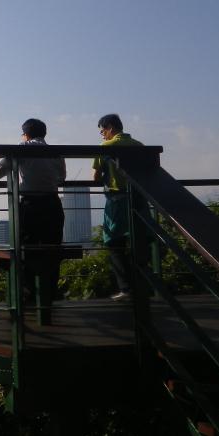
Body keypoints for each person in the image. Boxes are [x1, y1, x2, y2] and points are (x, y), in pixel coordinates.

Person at [0, 118, 65, 305]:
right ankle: (49, 294)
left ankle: (28, 291)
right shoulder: (56, 152)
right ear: (44, 133)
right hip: (53, 204)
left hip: (30, 205)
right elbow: (61, 178)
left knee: (24, 248)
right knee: (52, 249)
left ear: (26, 134)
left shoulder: (21, 147)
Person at [91, 114, 144, 301]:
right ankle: (143, 286)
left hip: (116, 200)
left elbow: (96, 176)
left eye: (102, 130)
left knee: (114, 243)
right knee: (139, 241)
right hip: (139, 199)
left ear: (110, 128)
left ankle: (126, 288)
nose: (102, 135)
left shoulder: (106, 147)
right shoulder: (139, 145)